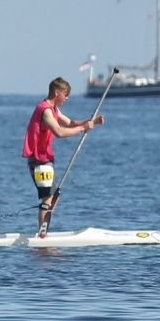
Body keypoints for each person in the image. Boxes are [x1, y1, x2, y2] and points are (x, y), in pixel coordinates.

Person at [22, 77, 105, 238]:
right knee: (47, 198)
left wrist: (91, 122)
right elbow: (59, 132)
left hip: (46, 160)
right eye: (65, 95)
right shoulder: (45, 111)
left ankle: (44, 231)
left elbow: (68, 122)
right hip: (39, 161)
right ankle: (42, 235)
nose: (67, 98)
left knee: (53, 198)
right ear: (56, 92)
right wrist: (83, 129)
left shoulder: (53, 109)